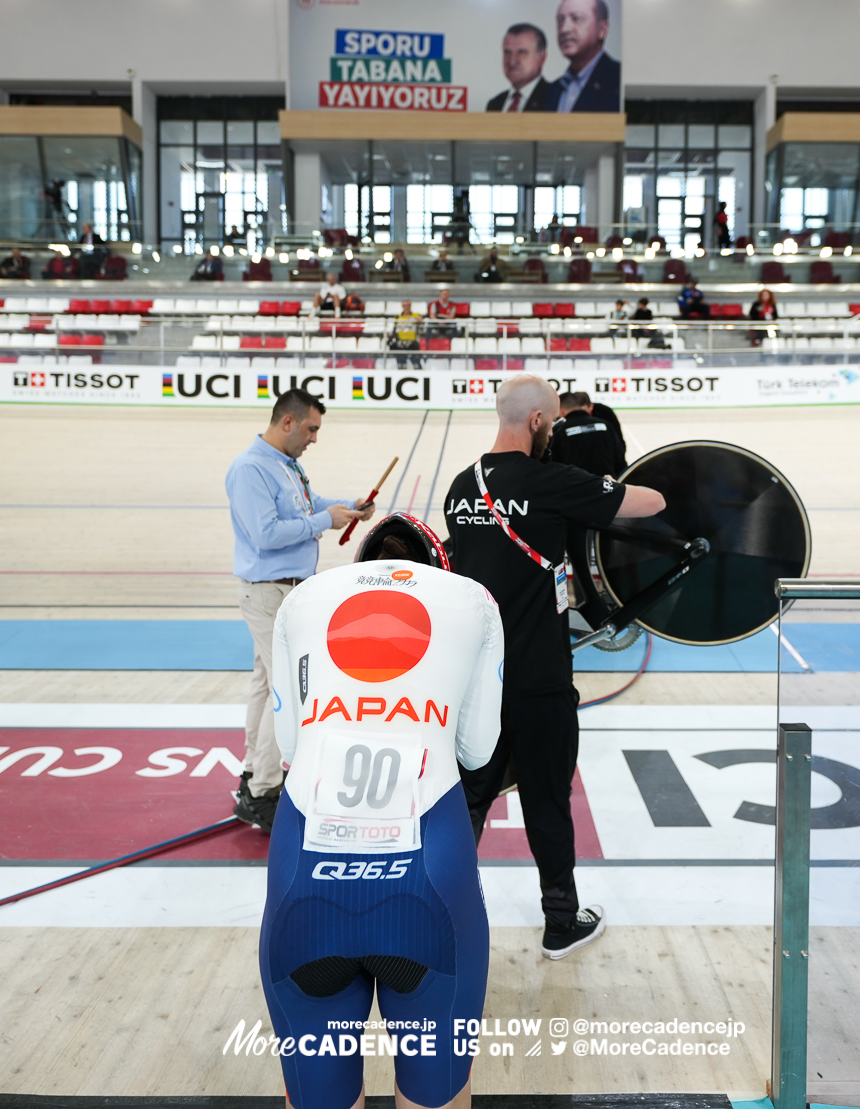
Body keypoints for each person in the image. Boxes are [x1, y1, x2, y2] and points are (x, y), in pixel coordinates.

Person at [259, 517, 501, 1109]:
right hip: (428, 878)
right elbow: (479, 749)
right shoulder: (473, 600)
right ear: (434, 566)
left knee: (318, 1098)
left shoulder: (304, 599)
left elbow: (289, 748)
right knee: (437, 1094)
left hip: (305, 880)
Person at [443, 376, 665, 957]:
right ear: (540, 420)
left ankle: (440, 914)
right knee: (546, 801)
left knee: (468, 800)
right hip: (539, 679)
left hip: (474, 683)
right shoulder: (551, 482)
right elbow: (647, 504)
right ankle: (561, 922)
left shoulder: (460, 487)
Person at [223, 388, 375, 831]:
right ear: (287, 422)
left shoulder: (284, 465)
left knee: (264, 684)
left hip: (286, 592)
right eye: (311, 428)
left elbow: (306, 507)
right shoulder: (250, 469)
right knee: (282, 691)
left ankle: (255, 771)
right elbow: (267, 534)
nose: (314, 438)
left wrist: (343, 507)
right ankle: (264, 790)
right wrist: (328, 521)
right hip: (270, 593)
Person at [551, 0, 620, 113]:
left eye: (576, 18)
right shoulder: (552, 90)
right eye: (560, 20)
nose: (564, 29)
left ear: (602, 30)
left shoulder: (618, 79)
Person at [548, 391, 626, 478]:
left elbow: (554, 464)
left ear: (561, 411)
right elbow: (620, 456)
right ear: (579, 406)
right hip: (606, 484)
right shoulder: (605, 425)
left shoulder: (560, 431)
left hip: (576, 486)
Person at [487, 22, 554, 113]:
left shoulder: (556, 99)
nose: (512, 61)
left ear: (542, 58)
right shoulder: (495, 104)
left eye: (522, 52)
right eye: (507, 52)